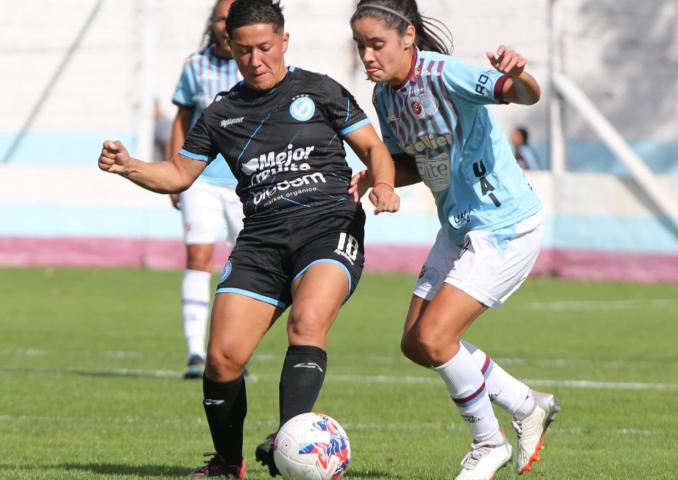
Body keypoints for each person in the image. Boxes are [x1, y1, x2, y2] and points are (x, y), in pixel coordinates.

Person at [98, 0, 400, 478]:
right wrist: (130, 165)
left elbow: (372, 148)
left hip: (328, 227)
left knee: (307, 322)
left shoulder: (320, 90)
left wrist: (382, 184)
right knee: (221, 359)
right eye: (243, 51)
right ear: (229, 49)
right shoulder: (223, 111)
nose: (255, 59)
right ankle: (227, 462)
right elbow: (178, 173)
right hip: (262, 239)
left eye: (264, 47)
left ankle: (289, 442)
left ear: (284, 41)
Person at [349, 2, 559, 479]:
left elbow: (522, 94)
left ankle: (489, 443)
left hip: (504, 224)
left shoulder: (445, 74)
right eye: (360, 46)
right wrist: (376, 177)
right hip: (460, 227)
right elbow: (411, 162)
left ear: (408, 35)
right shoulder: (385, 96)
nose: (367, 56)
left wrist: (518, 73)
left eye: (376, 44)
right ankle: (527, 405)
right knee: (415, 343)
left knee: (436, 337)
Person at [169, 0, 246, 379]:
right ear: (213, 24)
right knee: (199, 258)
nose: (224, 25)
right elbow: (182, 119)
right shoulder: (194, 66)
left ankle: (234, 353)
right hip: (200, 179)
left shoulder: (253, 65)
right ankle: (196, 352)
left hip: (246, 181)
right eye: (220, 18)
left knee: (246, 266)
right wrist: (175, 172)